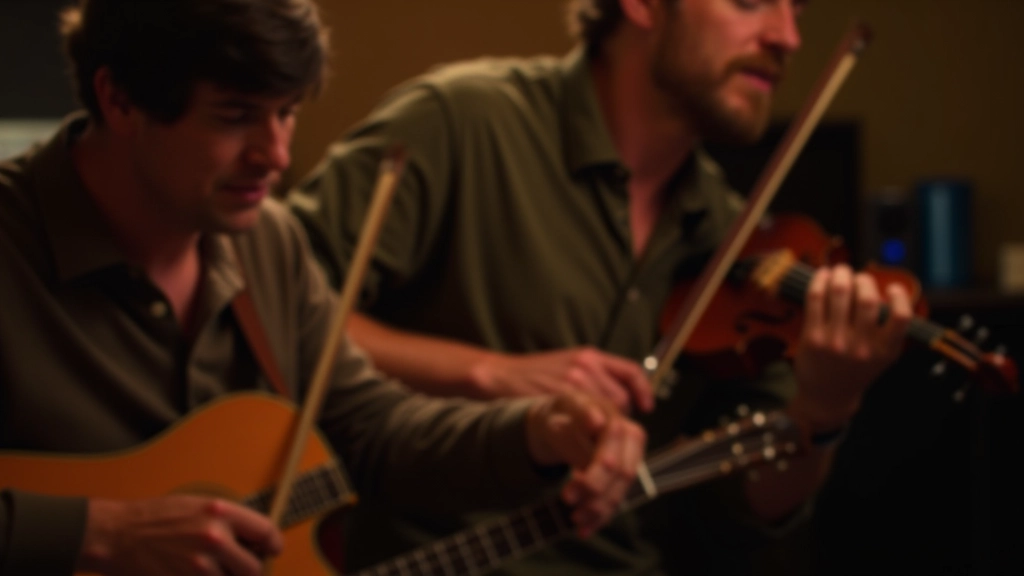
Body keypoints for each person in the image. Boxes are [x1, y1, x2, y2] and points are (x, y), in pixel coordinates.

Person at [0, 1, 650, 574]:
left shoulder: (268, 242)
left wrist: (537, 430)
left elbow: (371, 432)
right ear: (120, 100)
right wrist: (102, 534)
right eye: (235, 117)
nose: (276, 154)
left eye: (285, 114)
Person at [288, 0, 914, 574]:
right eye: (749, 0)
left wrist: (826, 408)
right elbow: (275, 317)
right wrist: (487, 374)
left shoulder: (736, 240)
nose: (788, 36)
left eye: (796, 9)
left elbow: (743, 504)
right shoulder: (461, 123)